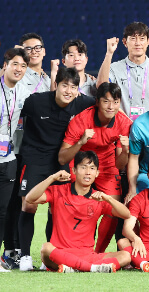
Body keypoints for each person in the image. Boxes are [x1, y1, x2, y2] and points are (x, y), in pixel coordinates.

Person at [17, 67, 95, 271]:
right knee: (29, 205)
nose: (68, 91)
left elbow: (106, 102)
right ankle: (25, 256)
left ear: (78, 89)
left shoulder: (82, 103)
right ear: (56, 86)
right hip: (34, 158)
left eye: (73, 87)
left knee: (58, 209)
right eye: (64, 85)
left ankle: (49, 257)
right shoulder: (36, 102)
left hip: (61, 161)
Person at [27, 151, 131, 273]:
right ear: (74, 170)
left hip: (87, 255)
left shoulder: (98, 198)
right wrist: (51, 178)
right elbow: (30, 198)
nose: (88, 172)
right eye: (83, 167)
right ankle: (90, 268)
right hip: (61, 253)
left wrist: (108, 198)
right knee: (46, 248)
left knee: (125, 256)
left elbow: (126, 214)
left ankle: (75, 267)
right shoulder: (58, 191)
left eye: (92, 168)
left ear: (97, 173)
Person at [58, 82, 132, 253]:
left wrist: (126, 151)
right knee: (75, 205)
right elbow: (62, 156)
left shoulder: (123, 123)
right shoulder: (81, 120)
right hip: (82, 161)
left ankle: (97, 253)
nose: (111, 106)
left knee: (113, 208)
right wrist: (81, 142)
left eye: (115, 102)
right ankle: (72, 248)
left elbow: (120, 164)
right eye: (106, 101)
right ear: (97, 102)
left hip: (107, 164)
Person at [97, 22, 149, 120]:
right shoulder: (114, 68)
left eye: (142, 38)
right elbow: (101, 87)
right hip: (122, 127)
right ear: (124, 42)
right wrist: (109, 53)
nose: (137, 43)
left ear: (148, 41)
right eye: (132, 38)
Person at [0, 48, 30, 271]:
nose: (19, 69)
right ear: (5, 65)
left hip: (8, 157)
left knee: (2, 210)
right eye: (15, 64)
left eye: (23, 66)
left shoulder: (22, 93)